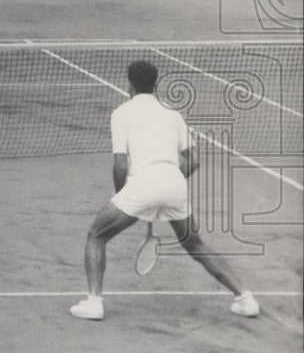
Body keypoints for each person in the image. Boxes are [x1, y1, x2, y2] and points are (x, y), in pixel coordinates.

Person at [70, 60, 260, 321]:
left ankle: (94, 302)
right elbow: (193, 160)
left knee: (96, 235)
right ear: (155, 84)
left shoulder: (121, 113)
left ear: (129, 84)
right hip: (174, 184)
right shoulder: (173, 114)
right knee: (196, 245)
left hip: (141, 186)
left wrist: (121, 196)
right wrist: (167, 181)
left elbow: (120, 164)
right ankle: (245, 299)